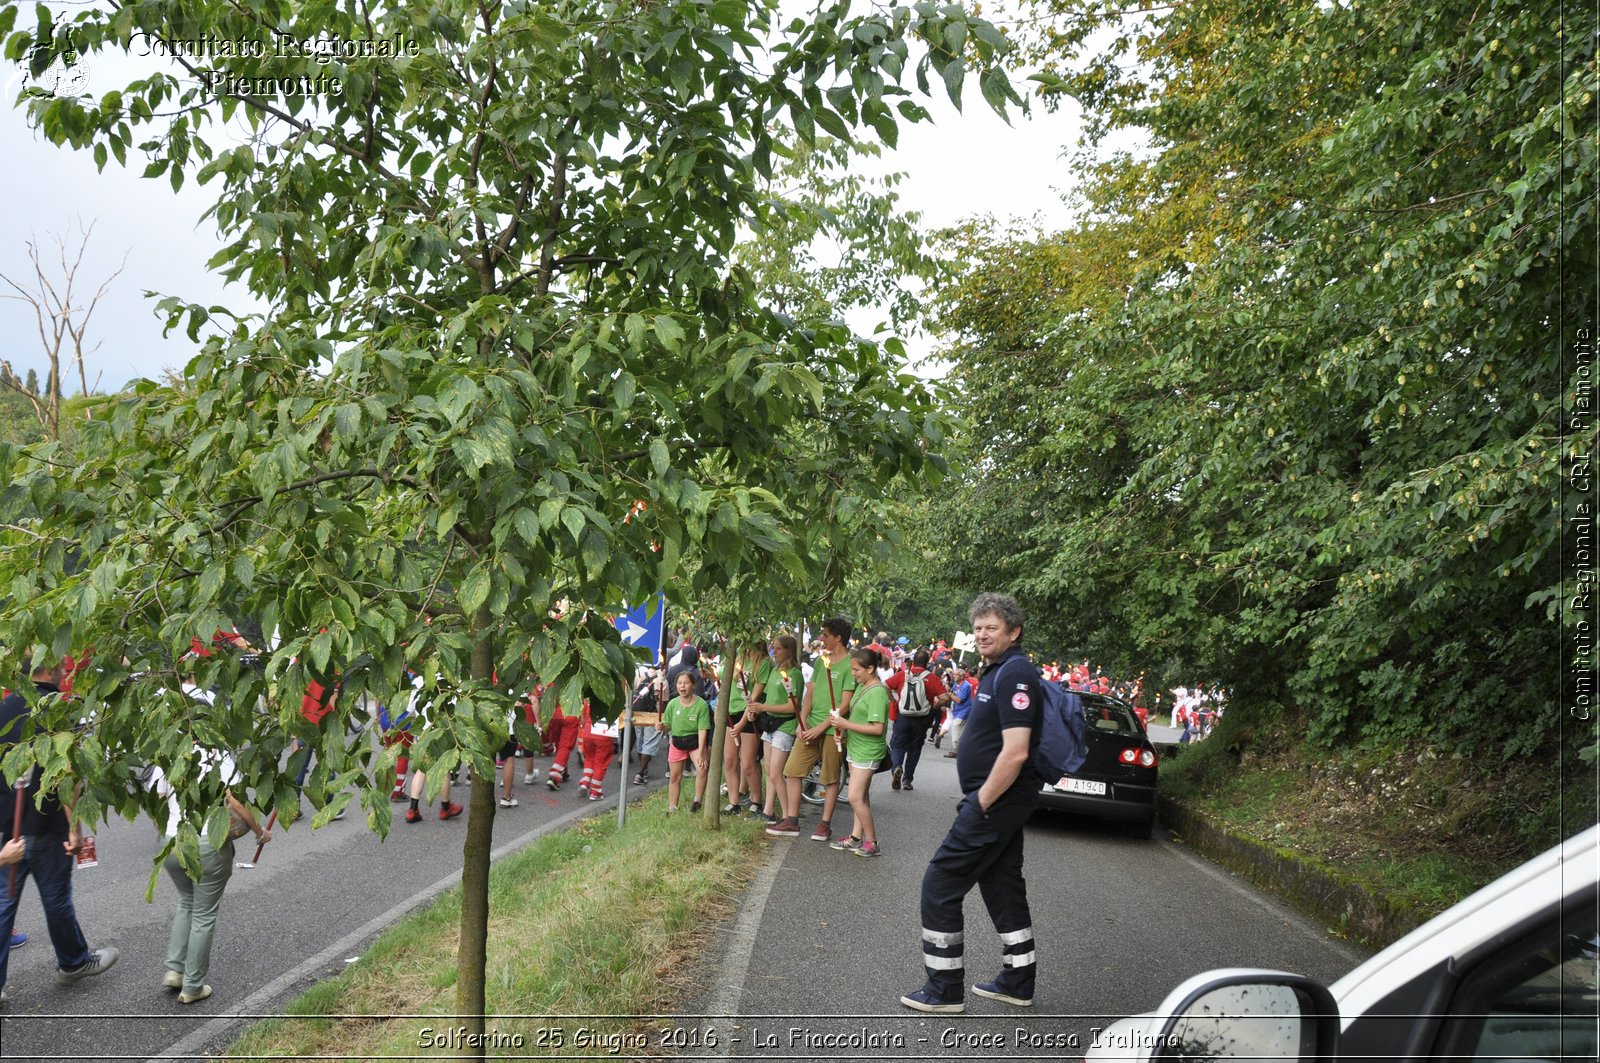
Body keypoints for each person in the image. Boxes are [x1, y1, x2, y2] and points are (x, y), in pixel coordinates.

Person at [901, 593, 1042, 1014]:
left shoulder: (1015, 674)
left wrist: (980, 801)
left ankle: (944, 989)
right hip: (1001, 803)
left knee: (941, 883)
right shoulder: (999, 669)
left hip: (995, 803)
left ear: (1013, 632)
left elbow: (1016, 751)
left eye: (991, 627)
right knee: (1002, 885)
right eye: (978, 626)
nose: (982, 633)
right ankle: (1018, 981)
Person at [0, 658, 120, 1006]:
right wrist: (74, 827)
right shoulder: (57, 710)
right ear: (49, 670)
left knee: (3, 905)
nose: (65, 671)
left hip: (6, 827)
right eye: (60, 667)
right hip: (46, 824)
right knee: (55, 900)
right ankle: (74, 961)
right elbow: (69, 772)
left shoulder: (4, 706)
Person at [145, 710, 271, 1005]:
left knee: (186, 902)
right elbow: (234, 800)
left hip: (171, 840)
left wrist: (165, 831)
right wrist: (258, 831)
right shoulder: (219, 757)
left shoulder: (168, 755)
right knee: (204, 914)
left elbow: (157, 800)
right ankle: (193, 985)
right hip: (205, 842)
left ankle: (174, 970)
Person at [781, 617, 855, 843]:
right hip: (810, 726)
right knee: (792, 770)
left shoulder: (851, 664)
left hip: (833, 730)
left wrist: (822, 727)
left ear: (838, 638)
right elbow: (810, 694)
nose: (821, 639)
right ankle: (792, 820)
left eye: (826, 635)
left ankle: (824, 824)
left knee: (830, 777)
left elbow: (844, 704)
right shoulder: (821, 662)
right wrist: (801, 722)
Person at [826, 646, 890, 858]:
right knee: (860, 796)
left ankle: (872, 842)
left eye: (856, 670)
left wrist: (846, 724)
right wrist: (843, 730)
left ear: (870, 668)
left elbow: (877, 728)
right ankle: (856, 837)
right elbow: (857, 720)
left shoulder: (878, 693)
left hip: (868, 751)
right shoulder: (863, 687)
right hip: (856, 747)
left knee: (854, 797)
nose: (853, 674)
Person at [754, 635, 806, 835]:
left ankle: (788, 817)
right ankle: (771, 811)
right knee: (769, 770)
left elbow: (793, 706)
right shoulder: (776, 670)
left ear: (789, 651)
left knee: (776, 772)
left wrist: (762, 707)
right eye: (772, 648)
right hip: (770, 723)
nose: (774, 652)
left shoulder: (795, 674)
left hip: (785, 726)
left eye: (778, 649)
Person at [886, 649, 950, 793]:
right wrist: (935, 705)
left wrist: (893, 700)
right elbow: (945, 698)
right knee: (915, 749)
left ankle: (897, 767)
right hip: (922, 719)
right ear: (927, 663)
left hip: (903, 717)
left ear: (913, 661)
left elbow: (886, 685)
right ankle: (907, 779)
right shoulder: (933, 678)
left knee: (897, 745)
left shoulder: (903, 675)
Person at [722, 642, 767, 815]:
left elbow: (753, 697)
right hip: (730, 712)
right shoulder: (737, 655)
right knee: (730, 760)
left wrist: (741, 724)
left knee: (748, 762)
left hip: (749, 715)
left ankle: (756, 799)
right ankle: (734, 802)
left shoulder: (763, 663)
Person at [660, 671, 711, 813]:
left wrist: (701, 752)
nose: (682, 686)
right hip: (677, 742)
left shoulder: (701, 705)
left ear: (693, 685)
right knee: (674, 776)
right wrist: (662, 726)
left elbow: (702, 730)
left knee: (702, 770)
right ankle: (672, 807)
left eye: (686, 683)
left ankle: (697, 801)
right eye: (679, 683)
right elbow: (667, 724)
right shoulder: (672, 704)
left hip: (695, 742)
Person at [944, 668, 975, 758]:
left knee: (955, 726)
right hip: (958, 710)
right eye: (953, 674)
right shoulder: (956, 684)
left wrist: (950, 694)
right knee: (960, 731)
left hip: (965, 710)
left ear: (961, 676)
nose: (954, 676)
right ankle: (960, 750)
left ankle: (954, 750)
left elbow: (959, 700)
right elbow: (952, 693)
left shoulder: (966, 685)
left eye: (956, 675)